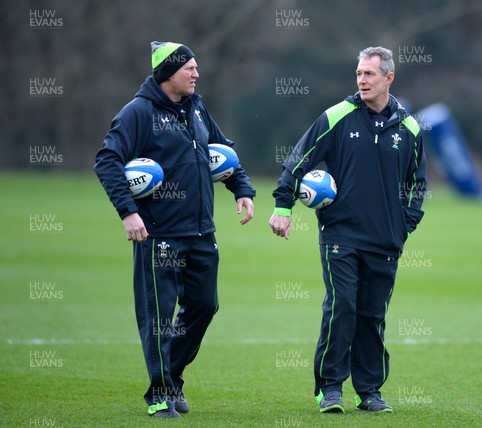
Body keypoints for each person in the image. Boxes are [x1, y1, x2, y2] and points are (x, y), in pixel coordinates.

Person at [94, 41, 255, 418]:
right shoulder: (138, 112)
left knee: (205, 306)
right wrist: (128, 212)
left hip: (201, 231)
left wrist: (241, 189)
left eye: (196, 67)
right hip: (159, 233)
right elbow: (107, 160)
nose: (197, 74)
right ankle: (160, 395)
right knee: (159, 318)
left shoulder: (197, 107)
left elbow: (221, 149)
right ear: (168, 73)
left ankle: (172, 378)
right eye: (190, 68)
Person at [269, 46, 427, 414]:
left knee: (372, 316)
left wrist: (405, 224)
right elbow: (298, 159)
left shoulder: (411, 128)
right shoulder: (337, 116)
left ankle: (369, 391)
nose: (361, 80)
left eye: (369, 74)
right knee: (342, 307)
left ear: (389, 78)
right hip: (340, 235)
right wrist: (282, 205)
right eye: (358, 73)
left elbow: (418, 183)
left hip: (386, 240)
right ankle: (329, 388)